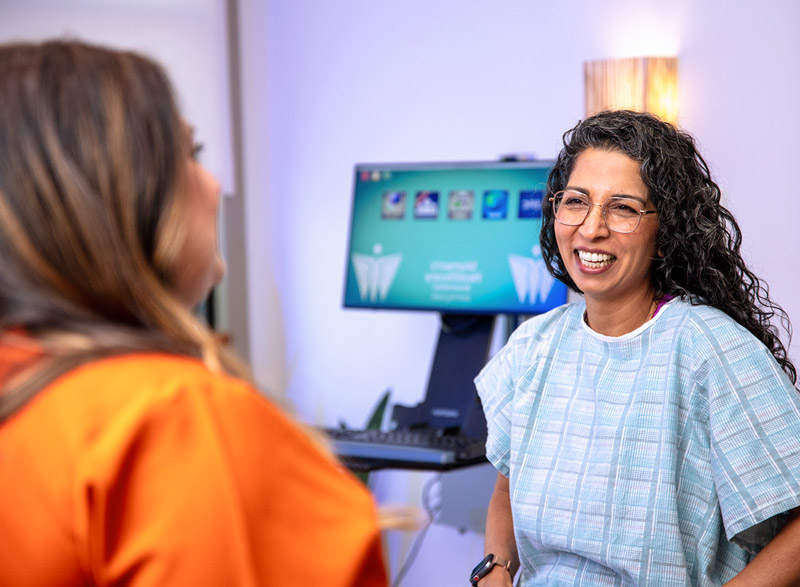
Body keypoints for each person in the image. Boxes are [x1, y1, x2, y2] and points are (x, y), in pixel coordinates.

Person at [0, 39, 387, 586]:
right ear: (117, 193)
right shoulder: (172, 419)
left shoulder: (27, 392)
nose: (215, 184)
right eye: (191, 154)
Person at [473, 110, 800, 586]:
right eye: (576, 201)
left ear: (665, 234)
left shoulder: (710, 348)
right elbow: (506, 489)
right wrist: (495, 570)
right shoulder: (532, 347)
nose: (591, 228)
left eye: (622, 208)